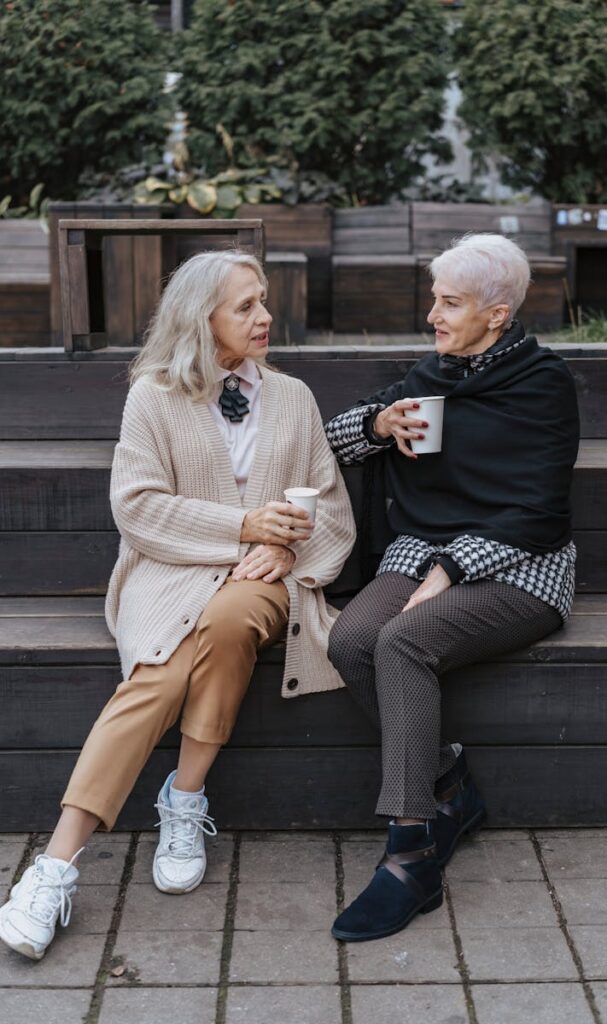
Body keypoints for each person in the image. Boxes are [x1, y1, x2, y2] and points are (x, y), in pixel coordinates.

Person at [0, 250, 355, 960]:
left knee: (230, 618)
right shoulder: (154, 396)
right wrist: (240, 526)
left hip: (265, 581)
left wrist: (284, 552)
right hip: (167, 576)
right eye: (245, 306)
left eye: (261, 301)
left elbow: (333, 511)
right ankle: (56, 864)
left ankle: (183, 798)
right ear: (202, 320)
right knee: (158, 674)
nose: (264, 317)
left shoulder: (294, 397)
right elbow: (136, 509)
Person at [324, 233, 580, 942]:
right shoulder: (431, 375)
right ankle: (449, 786)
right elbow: (332, 439)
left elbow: (540, 512)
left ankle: (411, 854)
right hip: (420, 549)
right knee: (348, 639)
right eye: (433, 297)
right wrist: (377, 425)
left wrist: (451, 570)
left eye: (449, 302)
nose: (432, 314)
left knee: (402, 640)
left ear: (495, 315)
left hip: (520, 565)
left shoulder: (543, 384)